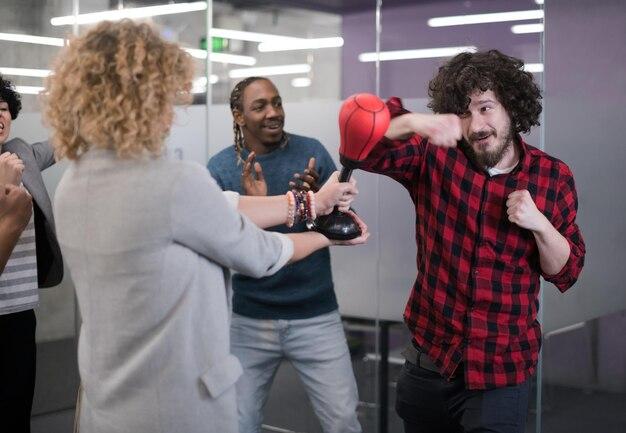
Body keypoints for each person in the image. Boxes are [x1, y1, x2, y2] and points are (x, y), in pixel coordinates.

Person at [44, 20, 367, 433]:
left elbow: (216, 208)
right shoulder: (174, 182)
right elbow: (259, 253)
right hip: (173, 407)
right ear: (147, 99)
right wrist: (325, 231)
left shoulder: (74, 183)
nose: (174, 109)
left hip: (107, 403)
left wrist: (310, 202)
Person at [358, 50, 586, 433]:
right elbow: (365, 142)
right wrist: (414, 121)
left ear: (511, 106)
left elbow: (566, 271)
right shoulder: (434, 156)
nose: (476, 124)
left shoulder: (552, 176)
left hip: (501, 370)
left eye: (485, 108)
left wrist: (540, 225)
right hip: (429, 361)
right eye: (464, 113)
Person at [208, 77, 363, 433]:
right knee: (234, 423)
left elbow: (343, 220)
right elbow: (223, 246)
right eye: (259, 106)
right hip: (250, 320)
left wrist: (321, 207)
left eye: (277, 102)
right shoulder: (219, 169)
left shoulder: (312, 152)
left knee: (343, 422)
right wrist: (258, 203)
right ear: (238, 116)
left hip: (316, 316)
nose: (273, 113)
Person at [0, 74, 64, 433]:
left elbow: (62, 143)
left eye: (3, 108)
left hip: (20, 308)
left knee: (17, 408)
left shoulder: (21, 151)